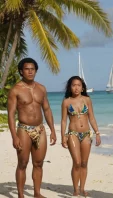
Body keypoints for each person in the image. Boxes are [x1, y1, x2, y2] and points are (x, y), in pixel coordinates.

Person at [7, 58, 57, 198]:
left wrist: (52, 130)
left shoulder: (41, 89)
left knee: (39, 163)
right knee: (22, 163)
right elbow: (11, 115)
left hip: (40, 129)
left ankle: (37, 193)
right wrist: (14, 136)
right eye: (27, 69)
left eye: (32, 69)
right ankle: (21, 195)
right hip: (24, 129)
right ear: (21, 71)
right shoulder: (15, 90)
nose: (30, 71)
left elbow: (47, 110)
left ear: (36, 70)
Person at [60, 76, 101, 196]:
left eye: (79, 85)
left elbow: (91, 117)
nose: (76, 87)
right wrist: (63, 136)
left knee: (84, 163)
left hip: (86, 134)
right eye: (73, 85)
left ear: (82, 87)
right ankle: (75, 189)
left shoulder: (87, 100)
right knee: (76, 162)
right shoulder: (66, 102)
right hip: (73, 134)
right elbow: (63, 121)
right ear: (70, 87)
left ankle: (82, 188)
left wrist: (97, 132)